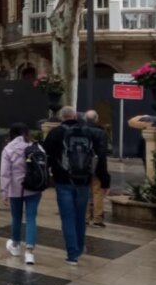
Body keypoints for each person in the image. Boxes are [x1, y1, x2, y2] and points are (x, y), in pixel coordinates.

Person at [44, 105, 110, 265]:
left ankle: (72, 255)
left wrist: (47, 177)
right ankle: (79, 248)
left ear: (61, 118)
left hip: (63, 181)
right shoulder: (89, 133)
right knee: (80, 217)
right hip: (84, 181)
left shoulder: (55, 133)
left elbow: (46, 156)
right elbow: (100, 158)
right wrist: (105, 181)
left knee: (67, 218)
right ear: (75, 116)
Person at [0, 123, 41, 265]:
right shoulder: (36, 146)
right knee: (31, 218)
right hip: (34, 187)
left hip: (15, 189)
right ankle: (29, 252)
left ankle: (16, 245)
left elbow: (5, 173)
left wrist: (4, 191)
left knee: (16, 217)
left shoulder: (8, 149)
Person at [84, 110, 110, 227]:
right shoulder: (101, 133)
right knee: (97, 191)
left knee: (84, 191)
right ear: (96, 119)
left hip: (81, 166)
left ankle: (85, 217)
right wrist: (105, 174)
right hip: (96, 166)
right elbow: (102, 154)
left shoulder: (80, 130)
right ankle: (97, 219)